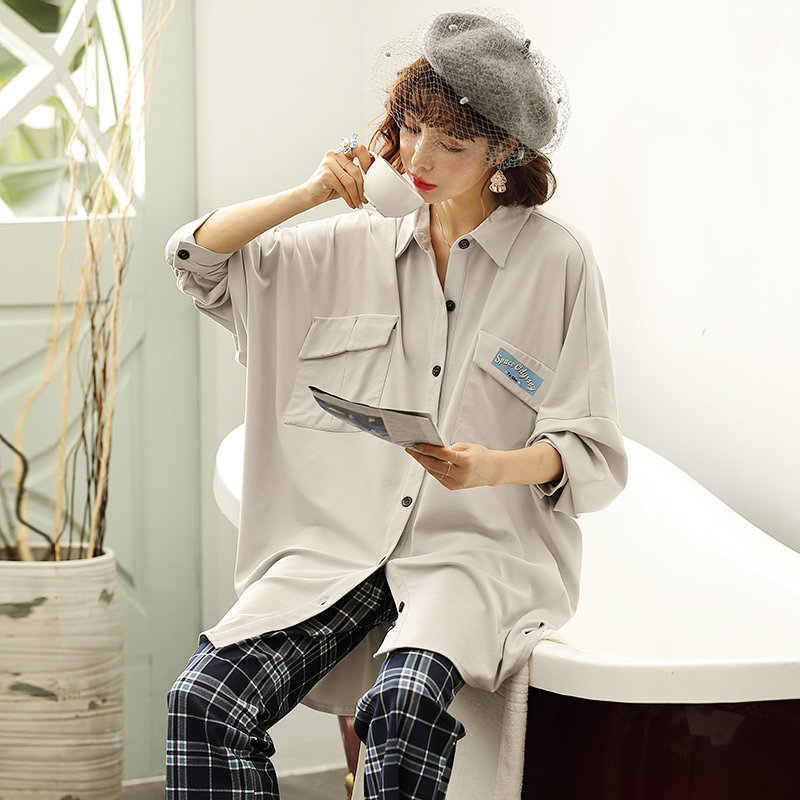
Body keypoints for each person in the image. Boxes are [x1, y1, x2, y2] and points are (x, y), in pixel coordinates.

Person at [163, 10, 627, 800]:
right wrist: (313, 191)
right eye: (410, 129)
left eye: (453, 144)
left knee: (403, 711)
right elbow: (198, 262)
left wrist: (490, 468)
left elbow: (589, 451)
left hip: (470, 555)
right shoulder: (348, 246)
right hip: (336, 544)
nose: (419, 158)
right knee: (204, 702)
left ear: (504, 152)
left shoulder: (558, 262)